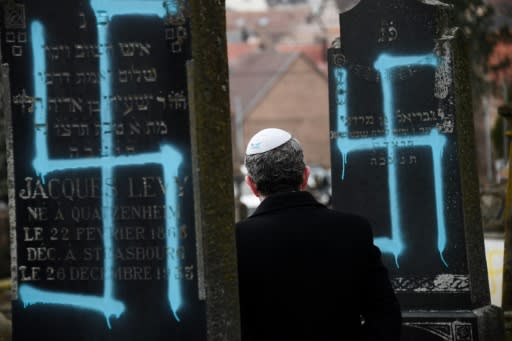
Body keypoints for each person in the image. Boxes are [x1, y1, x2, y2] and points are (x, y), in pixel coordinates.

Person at [236, 128, 402, 341]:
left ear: (252, 185)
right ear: (305, 175)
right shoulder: (353, 230)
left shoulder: (237, 241)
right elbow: (385, 314)